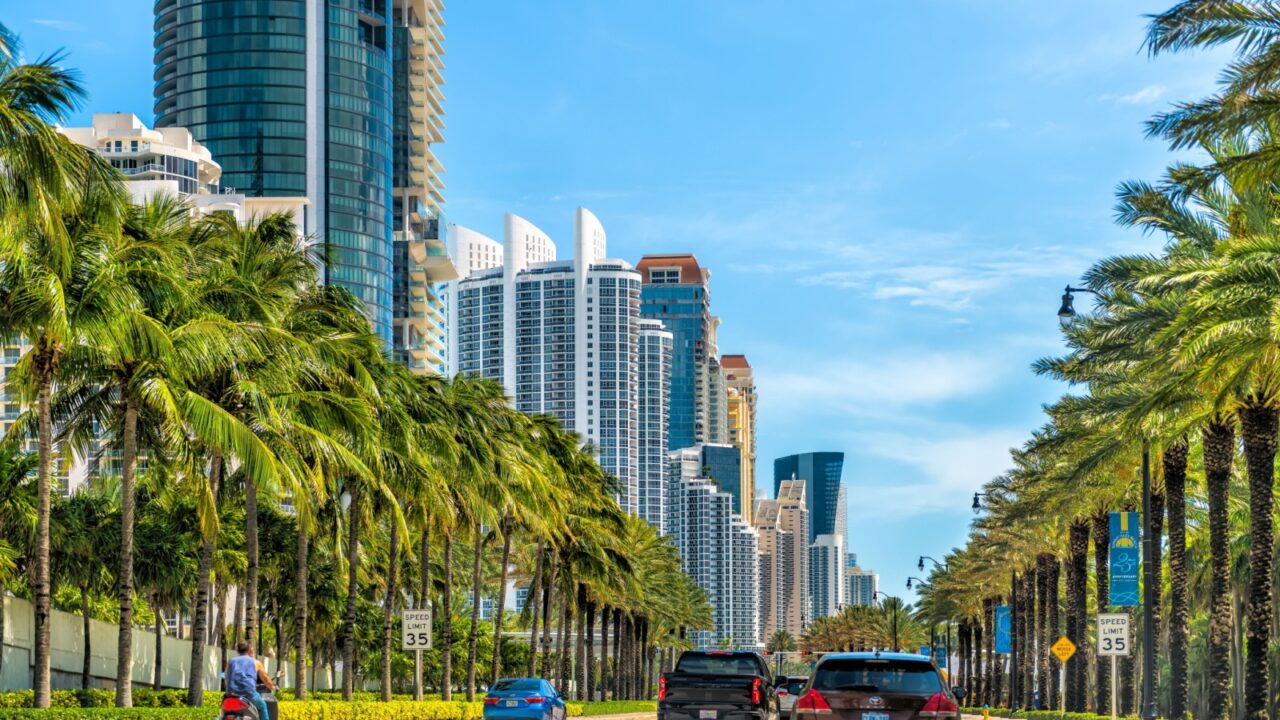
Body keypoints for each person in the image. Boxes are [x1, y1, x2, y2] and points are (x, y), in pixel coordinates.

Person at [227, 642, 274, 720]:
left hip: (231, 694)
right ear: (249, 650)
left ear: (237, 650)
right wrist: (272, 687)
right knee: (262, 706)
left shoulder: (231, 661)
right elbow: (266, 680)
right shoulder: (256, 662)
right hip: (249, 694)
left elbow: (226, 677)